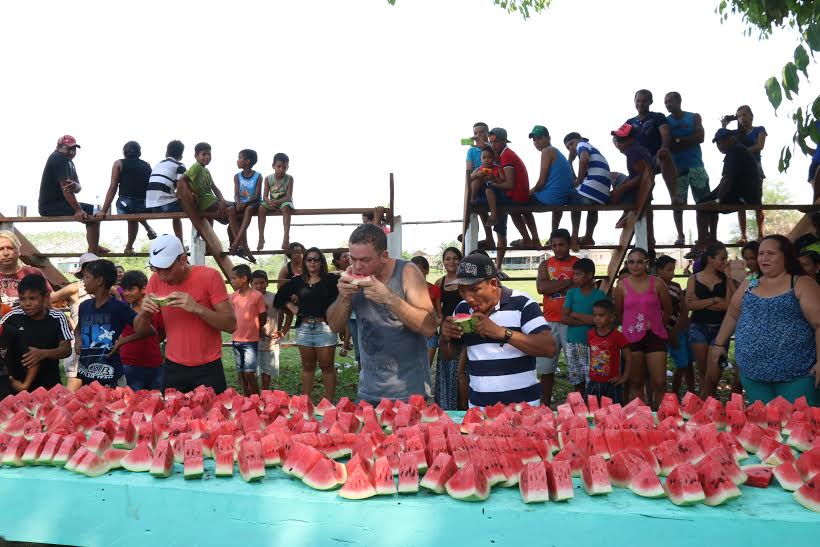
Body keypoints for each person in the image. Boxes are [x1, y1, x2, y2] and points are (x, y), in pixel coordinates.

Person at [327, 224, 435, 403]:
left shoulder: (407, 272)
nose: (357, 266)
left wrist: (390, 299)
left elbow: (429, 326)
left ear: (384, 256)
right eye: (353, 259)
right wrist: (344, 298)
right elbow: (334, 326)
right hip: (368, 390)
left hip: (409, 391)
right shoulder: (351, 275)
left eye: (365, 260)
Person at [709, 235, 819, 405]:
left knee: (798, 426)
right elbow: (732, 313)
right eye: (761, 253)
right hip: (753, 373)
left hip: (796, 374)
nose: (763, 258)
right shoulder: (751, 280)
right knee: (764, 427)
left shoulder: (801, 283)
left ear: (786, 256)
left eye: (770, 253)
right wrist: (718, 344)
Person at [440, 253, 554, 407]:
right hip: (480, 409)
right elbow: (450, 354)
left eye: (474, 289)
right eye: (462, 290)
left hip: (524, 409)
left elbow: (548, 347)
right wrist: (445, 338)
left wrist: (502, 333)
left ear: (493, 283)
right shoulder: (462, 308)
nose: (468, 298)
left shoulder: (522, 303)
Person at [135, 234, 236, 393]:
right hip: (172, 367)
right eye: (156, 269)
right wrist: (145, 314)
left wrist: (197, 308)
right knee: (170, 417)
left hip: (208, 368)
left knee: (212, 416)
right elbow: (140, 330)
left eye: (167, 269)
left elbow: (231, 325)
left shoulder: (210, 276)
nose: (162, 276)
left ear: (183, 259)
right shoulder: (155, 280)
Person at [76, 259, 154, 387]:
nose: (83, 281)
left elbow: (149, 330)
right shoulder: (84, 306)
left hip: (111, 377)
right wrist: (78, 340)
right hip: (86, 374)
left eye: (87, 277)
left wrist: (123, 341)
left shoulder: (118, 307)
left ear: (99, 280)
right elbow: (78, 328)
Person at [275, 248, 340, 400]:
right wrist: (293, 308)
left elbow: (342, 298)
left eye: (316, 259)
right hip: (304, 328)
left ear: (321, 262)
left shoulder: (331, 280)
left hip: (325, 328)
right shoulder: (298, 281)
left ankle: (329, 403)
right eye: (309, 259)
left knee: (327, 366)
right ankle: (305, 402)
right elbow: (279, 296)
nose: (312, 262)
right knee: (308, 366)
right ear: (305, 262)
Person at [614, 248, 672, 408]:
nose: (635, 265)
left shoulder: (658, 283)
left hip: (655, 336)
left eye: (639, 261)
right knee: (636, 381)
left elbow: (668, 310)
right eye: (631, 262)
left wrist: (657, 324)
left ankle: (662, 418)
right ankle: (638, 420)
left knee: (659, 382)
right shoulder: (621, 286)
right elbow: (618, 313)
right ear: (627, 263)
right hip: (631, 338)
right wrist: (632, 327)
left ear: (647, 263)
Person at [0, 274, 72, 394]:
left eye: (33, 298)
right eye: (22, 299)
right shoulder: (12, 317)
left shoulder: (57, 317)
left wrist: (43, 353)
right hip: (17, 385)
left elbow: (66, 349)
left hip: (49, 385)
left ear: (46, 297)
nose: (27, 303)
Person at [697, 128, 763, 252]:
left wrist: (717, 200)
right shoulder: (736, 151)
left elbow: (727, 179)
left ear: (731, 139)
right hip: (741, 192)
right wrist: (713, 197)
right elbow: (724, 181)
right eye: (717, 143)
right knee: (705, 201)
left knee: (702, 207)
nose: (720, 146)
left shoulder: (735, 152)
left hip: (745, 196)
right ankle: (711, 238)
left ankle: (702, 242)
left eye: (722, 142)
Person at [38, 135, 106, 254]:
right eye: (68, 148)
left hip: (61, 202)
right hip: (50, 206)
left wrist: (75, 185)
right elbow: (66, 189)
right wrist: (78, 210)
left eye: (74, 149)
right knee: (92, 212)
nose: (71, 151)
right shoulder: (58, 158)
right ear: (58, 147)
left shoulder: (69, 163)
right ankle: (92, 251)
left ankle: (94, 245)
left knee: (94, 210)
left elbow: (78, 187)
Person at [175, 142, 235, 275]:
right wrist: (191, 193)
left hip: (213, 201)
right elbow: (182, 180)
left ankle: (232, 243)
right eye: (203, 154)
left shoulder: (206, 170)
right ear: (196, 156)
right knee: (234, 211)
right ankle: (235, 243)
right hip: (205, 202)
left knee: (233, 210)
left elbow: (214, 187)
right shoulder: (196, 167)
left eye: (209, 154)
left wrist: (222, 200)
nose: (206, 157)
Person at [535, 229, 577, 406]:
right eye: (554, 245)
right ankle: (544, 405)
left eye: (561, 244)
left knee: (576, 368)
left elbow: (579, 288)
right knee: (546, 369)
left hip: (572, 322)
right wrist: (567, 282)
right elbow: (541, 288)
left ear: (569, 245)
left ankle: (578, 406)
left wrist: (553, 286)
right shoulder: (546, 264)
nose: (558, 249)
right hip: (549, 320)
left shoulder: (578, 263)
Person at [687, 242, 734, 398]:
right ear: (710, 259)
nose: (725, 262)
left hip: (720, 330)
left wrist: (702, 303)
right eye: (722, 258)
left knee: (713, 376)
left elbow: (729, 305)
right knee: (702, 371)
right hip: (698, 328)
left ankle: (705, 403)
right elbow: (689, 304)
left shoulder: (726, 279)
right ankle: (706, 407)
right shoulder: (693, 278)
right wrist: (714, 299)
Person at [664, 92, 712, 247]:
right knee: (677, 203)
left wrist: (678, 140)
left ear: (679, 101)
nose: (668, 104)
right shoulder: (666, 121)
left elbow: (701, 137)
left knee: (703, 203)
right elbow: (669, 143)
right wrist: (687, 140)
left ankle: (703, 236)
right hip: (677, 169)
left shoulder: (694, 117)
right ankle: (680, 235)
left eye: (670, 101)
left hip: (696, 167)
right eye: (665, 102)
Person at [488, 127, 541, 260]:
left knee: (506, 206)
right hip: (521, 194)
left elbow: (509, 184)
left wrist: (492, 184)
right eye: (491, 142)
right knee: (521, 212)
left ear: (504, 141)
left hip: (516, 195)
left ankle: (527, 239)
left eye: (496, 142)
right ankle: (533, 239)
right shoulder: (506, 154)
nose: (493, 145)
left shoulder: (506, 155)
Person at [99, 141, 157, 254]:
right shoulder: (147, 165)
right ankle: (146, 229)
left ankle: (130, 246)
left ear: (124, 152)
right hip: (145, 206)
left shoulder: (119, 163)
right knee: (134, 212)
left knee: (131, 213)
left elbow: (113, 187)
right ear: (139, 153)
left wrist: (103, 210)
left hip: (127, 204)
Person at [561, 258, 607, 395]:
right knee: (577, 380)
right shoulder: (572, 293)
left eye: (578, 274)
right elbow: (564, 318)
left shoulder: (600, 295)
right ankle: (579, 408)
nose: (574, 278)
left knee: (593, 379)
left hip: (593, 345)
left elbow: (602, 321)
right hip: (573, 343)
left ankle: (592, 407)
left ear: (590, 275)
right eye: (574, 274)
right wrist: (589, 320)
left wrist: (575, 314)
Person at [722, 105, 767, 243]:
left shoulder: (760, 130)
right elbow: (724, 143)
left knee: (757, 201)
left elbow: (759, 146)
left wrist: (742, 151)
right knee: (740, 202)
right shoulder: (736, 134)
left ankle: (760, 234)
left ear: (751, 116)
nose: (742, 118)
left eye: (744, 115)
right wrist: (724, 126)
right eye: (739, 116)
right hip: (739, 170)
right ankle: (743, 235)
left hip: (755, 167)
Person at [115, 270, 166, 391]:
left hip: (154, 365)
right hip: (129, 365)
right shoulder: (122, 311)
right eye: (124, 290)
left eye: (131, 289)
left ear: (143, 289)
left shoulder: (157, 310)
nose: (126, 293)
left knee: (157, 403)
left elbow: (162, 334)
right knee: (131, 404)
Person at [625, 90, 678, 203]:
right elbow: (617, 138)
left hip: (654, 158)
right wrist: (625, 151)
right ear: (634, 101)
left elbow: (665, 132)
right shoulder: (629, 122)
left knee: (664, 155)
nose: (641, 104)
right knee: (644, 199)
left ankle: (674, 196)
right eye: (638, 101)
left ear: (651, 102)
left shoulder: (657, 116)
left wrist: (664, 148)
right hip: (638, 163)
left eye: (644, 101)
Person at [563, 132, 611, 250]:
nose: (571, 148)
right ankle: (589, 236)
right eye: (568, 147)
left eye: (571, 144)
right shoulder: (593, 150)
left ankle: (574, 238)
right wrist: (570, 162)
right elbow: (575, 178)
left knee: (571, 197)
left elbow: (583, 160)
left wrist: (579, 181)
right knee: (592, 207)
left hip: (593, 189)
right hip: (602, 194)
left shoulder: (582, 144)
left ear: (579, 139)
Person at [610, 124, 656, 246]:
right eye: (617, 140)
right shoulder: (639, 150)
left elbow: (640, 178)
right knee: (615, 178)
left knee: (611, 188)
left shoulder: (633, 153)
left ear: (632, 139)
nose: (619, 143)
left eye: (622, 140)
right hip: (642, 192)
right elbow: (635, 176)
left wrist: (620, 190)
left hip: (637, 193)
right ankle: (626, 212)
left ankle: (627, 211)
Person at [656, 255, 694, 396]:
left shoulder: (676, 287)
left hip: (677, 330)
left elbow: (684, 311)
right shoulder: (652, 286)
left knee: (683, 363)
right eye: (668, 270)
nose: (672, 273)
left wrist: (674, 332)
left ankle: (675, 394)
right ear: (659, 270)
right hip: (658, 333)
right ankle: (662, 396)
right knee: (659, 368)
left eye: (673, 270)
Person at [528, 126, 574, 235]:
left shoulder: (547, 151)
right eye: (534, 140)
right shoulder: (556, 152)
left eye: (539, 138)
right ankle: (554, 234)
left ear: (548, 138)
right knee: (553, 200)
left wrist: (530, 192)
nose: (536, 142)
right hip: (561, 198)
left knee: (518, 204)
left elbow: (541, 181)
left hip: (552, 198)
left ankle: (532, 239)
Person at [229, 264, 267, 396]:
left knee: (249, 373)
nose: (231, 281)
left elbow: (263, 318)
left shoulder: (257, 296)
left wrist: (255, 330)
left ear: (244, 279)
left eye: (234, 278)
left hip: (250, 341)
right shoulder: (233, 296)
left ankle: (256, 399)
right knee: (241, 373)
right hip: (236, 339)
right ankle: (245, 399)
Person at [434, 246, 463, 410]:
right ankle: (446, 405)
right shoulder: (440, 282)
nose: (451, 261)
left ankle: (463, 404)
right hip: (446, 332)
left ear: (460, 261)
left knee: (461, 371)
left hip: (464, 330)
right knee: (446, 370)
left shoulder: (465, 280)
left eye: (455, 258)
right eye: (447, 258)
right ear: (443, 262)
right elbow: (438, 310)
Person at [586, 298, 631, 404]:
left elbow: (628, 357)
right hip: (594, 382)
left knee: (614, 412)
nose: (597, 318)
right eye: (595, 315)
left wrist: (624, 377)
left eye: (601, 315)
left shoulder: (617, 336)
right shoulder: (591, 334)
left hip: (612, 383)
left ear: (611, 317)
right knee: (592, 411)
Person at [145, 140, 186, 244]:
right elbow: (181, 187)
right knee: (194, 204)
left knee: (176, 213)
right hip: (165, 206)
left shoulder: (158, 164)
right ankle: (183, 243)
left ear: (166, 154)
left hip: (151, 206)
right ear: (181, 156)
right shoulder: (180, 165)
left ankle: (180, 244)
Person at [465, 122, 497, 250]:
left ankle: (498, 262)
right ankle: (487, 238)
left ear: (488, 134)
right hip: (478, 184)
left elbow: (497, 160)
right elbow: (468, 170)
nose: (478, 135)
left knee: (501, 228)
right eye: (475, 133)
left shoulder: (492, 147)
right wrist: (475, 174)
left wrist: (483, 144)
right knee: (480, 210)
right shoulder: (471, 150)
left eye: (481, 132)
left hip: (493, 183)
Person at [228, 149, 262, 262]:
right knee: (231, 210)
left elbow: (257, 195)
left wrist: (245, 203)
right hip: (240, 203)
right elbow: (236, 194)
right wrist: (238, 202)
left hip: (252, 203)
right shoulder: (237, 176)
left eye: (239, 158)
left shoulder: (258, 176)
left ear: (247, 161)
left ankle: (237, 242)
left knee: (248, 210)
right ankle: (241, 244)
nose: (237, 161)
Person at [0, 230, 52, 303]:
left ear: (18, 251)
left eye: (10, 248)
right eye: (1, 249)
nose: (6, 253)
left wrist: (69, 290)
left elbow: (49, 298)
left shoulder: (34, 273)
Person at [258, 153, 295, 251]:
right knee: (261, 208)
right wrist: (269, 202)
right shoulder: (268, 179)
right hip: (271, 202)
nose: (281, 169)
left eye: (284, 167)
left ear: (287, 167)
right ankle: (261, 236)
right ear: (273, 166)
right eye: (278, 166)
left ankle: (286, 237)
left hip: (284, 202)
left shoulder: (289, 178)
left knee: (286, 209)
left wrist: (277, 202)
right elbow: (265, 196)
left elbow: (288, 197)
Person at [410, 256, 442, 367]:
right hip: (412, 333)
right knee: (412, 369)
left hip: (431, 335)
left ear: (426, 270)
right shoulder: (406, 289)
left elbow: (439, 314)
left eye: (420, 270)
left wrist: (433, 326)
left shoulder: (435, 289)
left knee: (426, 368)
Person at [252, 269, 280, 389]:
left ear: (267, 283)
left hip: (270, 342)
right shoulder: (248, 298)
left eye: (262, 282)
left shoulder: (274, 297)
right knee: (253, 372)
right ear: (251, 284)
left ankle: (265, 393)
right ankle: (254, 397)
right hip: (252, 342)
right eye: (256, 283)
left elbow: (284, 313)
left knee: (267, 372)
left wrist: (282, 330)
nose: (259, 286)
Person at [469, 146, 506, 229]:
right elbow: (469, 177)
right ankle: (473, 198)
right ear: (481, 159)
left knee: (488, 191)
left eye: (489, 158)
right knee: (476, 180)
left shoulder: (497, 168)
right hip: (482, 192)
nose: (486, 160)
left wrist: (494, 178)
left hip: (494, 190)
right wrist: (477, 175)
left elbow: (503, 180)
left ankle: (493, 215)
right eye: (484, 157)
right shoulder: (479, 169)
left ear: (493, 159)